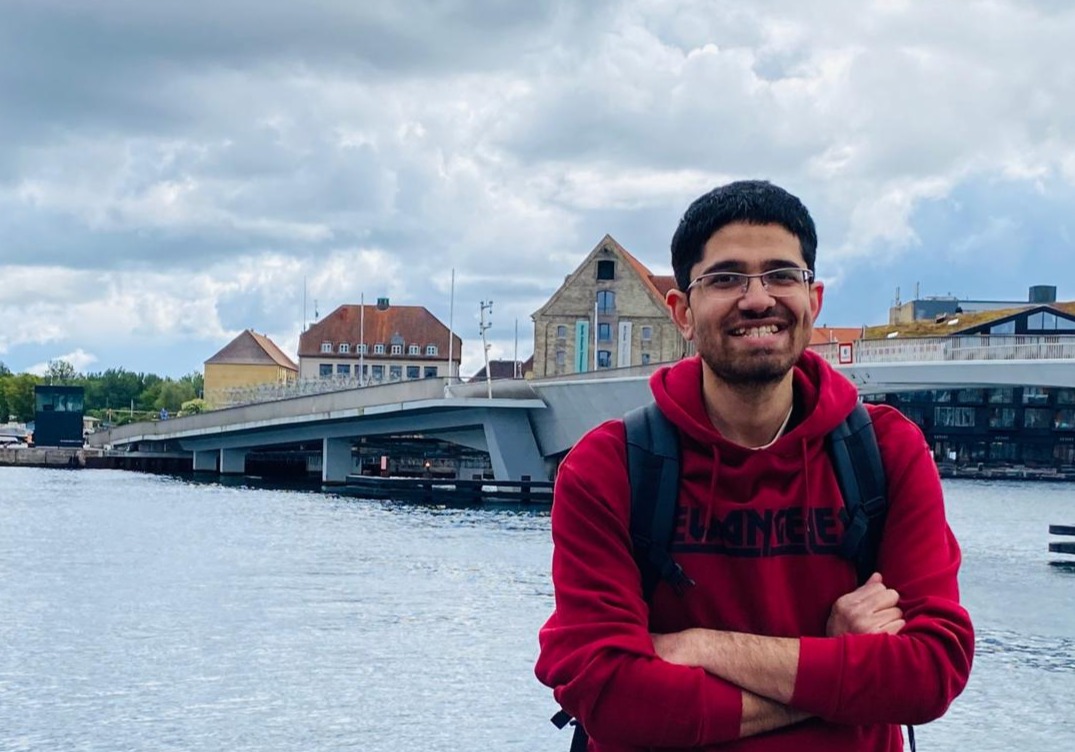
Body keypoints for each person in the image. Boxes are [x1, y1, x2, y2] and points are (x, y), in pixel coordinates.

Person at [535, 180, 973, 751]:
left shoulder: (888, 452)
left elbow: (930, 672)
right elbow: (611, 701)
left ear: (813, 302)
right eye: (725, 279)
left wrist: (703, 647)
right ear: (682, 312)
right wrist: (836, 664)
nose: (758, 298)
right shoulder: (609, 469)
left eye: (782, 275)